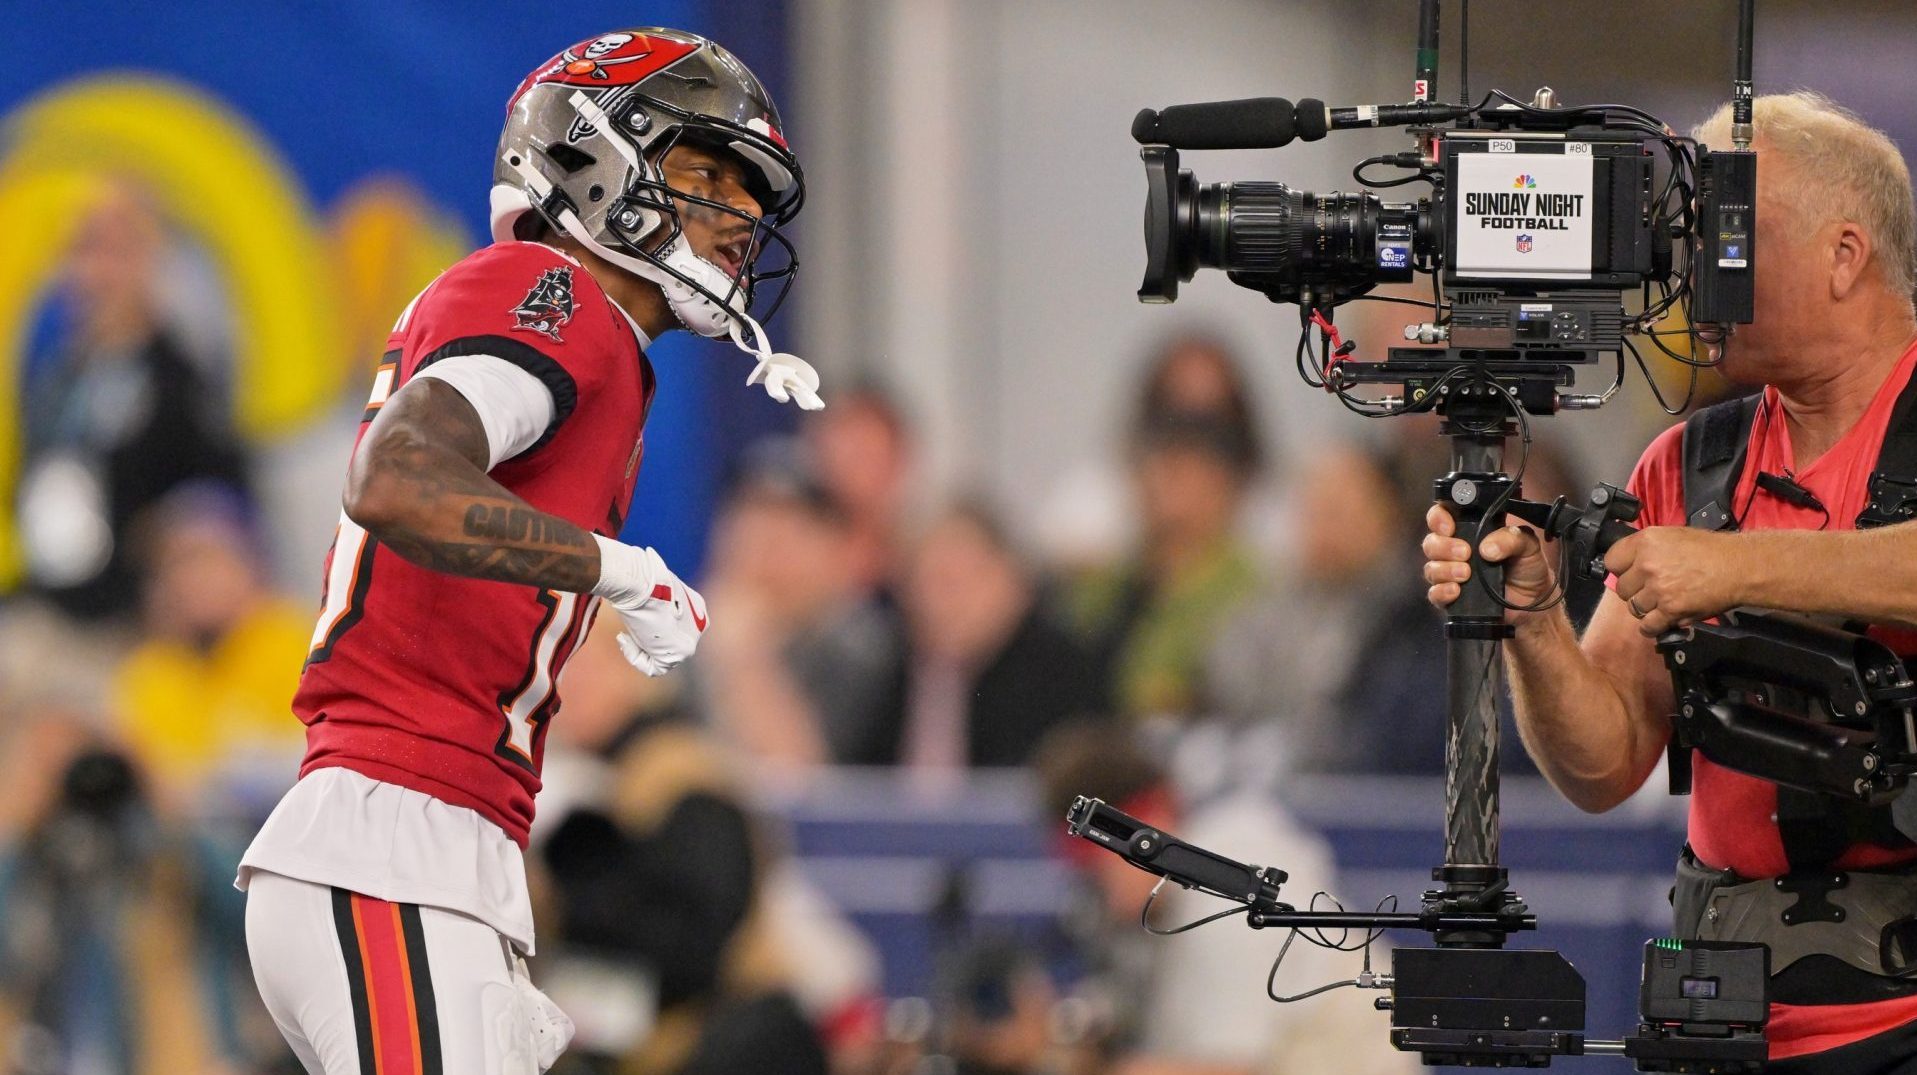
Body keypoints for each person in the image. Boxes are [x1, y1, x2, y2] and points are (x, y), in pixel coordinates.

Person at [237, 29, 821, 1074]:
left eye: (747, 195)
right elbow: (396, 476)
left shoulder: (592, 336)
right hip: (394, 842)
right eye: (705, 176)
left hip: (434, 843)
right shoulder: (559, 295)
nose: (737, 217)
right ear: (593, 160)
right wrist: (619, 569)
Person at [1422, 92, 1917, 1072]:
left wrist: (1731, 564)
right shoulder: (1687, 465)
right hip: (1721, 1017)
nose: (1693, 271)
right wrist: (1533, 616)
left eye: (1728, 232)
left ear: (1843, 256)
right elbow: (1606, 763)